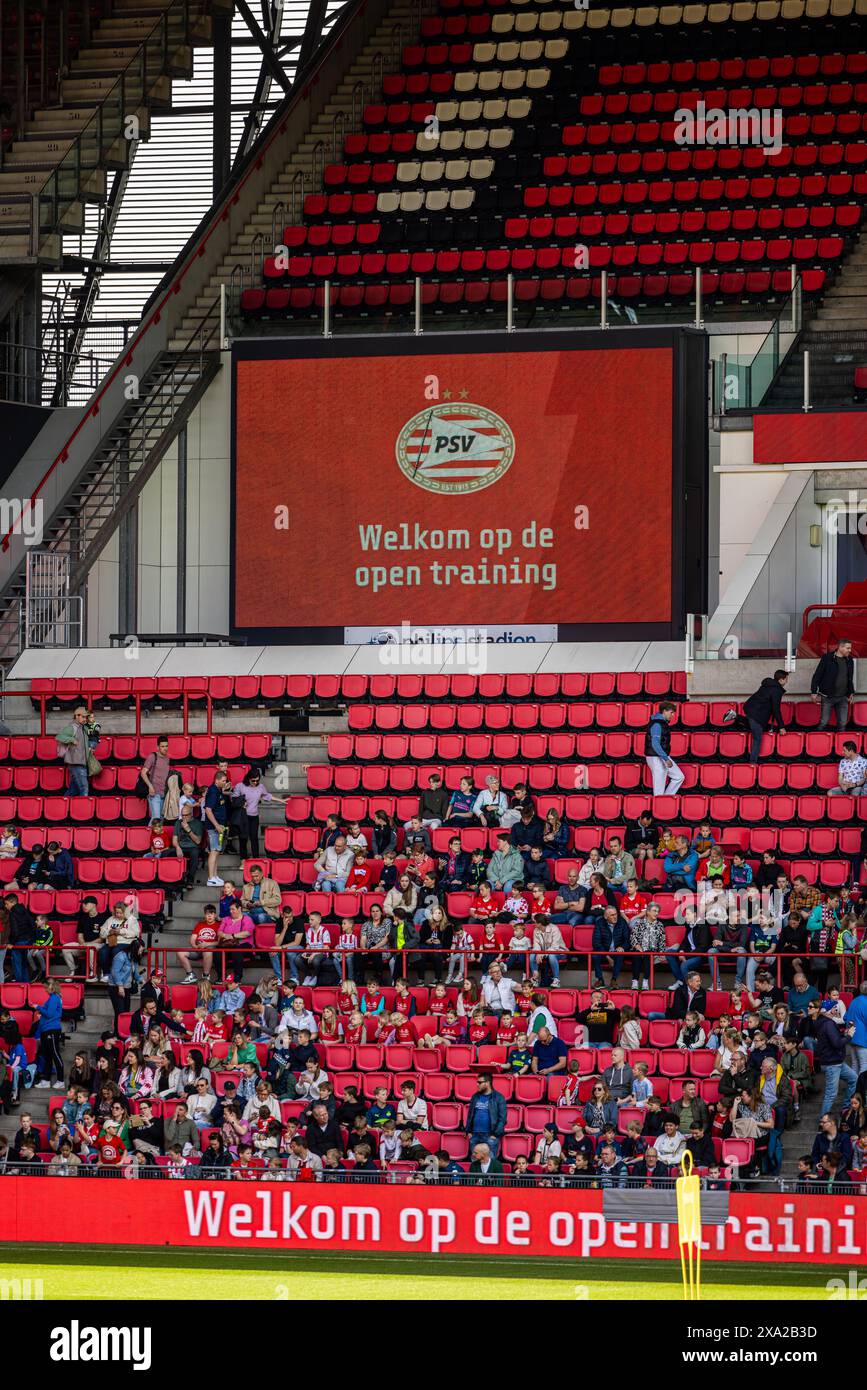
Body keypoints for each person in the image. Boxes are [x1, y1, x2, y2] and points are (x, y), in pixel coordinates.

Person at [804, 998, 858, 1115]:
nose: (837, 1010)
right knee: (831, 1095)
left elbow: (833, 1039)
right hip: (832, 1063)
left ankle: (845, 1107)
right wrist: (849, 1036)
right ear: (831, 1009)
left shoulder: (823, 1021)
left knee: (854, 1079)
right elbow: (837, 1043)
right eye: (835, 1008)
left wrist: (844, 1033)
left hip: (835, 1061)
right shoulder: (828, 1024)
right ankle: (822, 1123)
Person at [741, 669, 789, 764]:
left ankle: (735, 716)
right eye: (786, 679)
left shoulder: (768, 685)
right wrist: (781, 727)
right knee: (757, 738)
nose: (787, 681)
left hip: (750, 708)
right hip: (757, 714)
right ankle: (753, 763)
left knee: (752, 724)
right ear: (780, 680)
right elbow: (776, 709)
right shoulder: (776, 690)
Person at [811, 638, 854, 731]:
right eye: (848, 648)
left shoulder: (849, 660)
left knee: (842, 724)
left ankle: (841, 744)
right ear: (840, 647)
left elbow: (850, 678)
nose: (850, 650)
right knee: (824, 722)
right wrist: (814, 692)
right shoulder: (827, 658)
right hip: (827, 696)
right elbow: (817, 675)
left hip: (843, 697)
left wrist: (851, 692)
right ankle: (816, 740)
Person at [644, 702, 683, 797]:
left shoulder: (662, 723)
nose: (673, 715)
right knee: (659, 790)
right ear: (664, 711)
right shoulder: (657, 724)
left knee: (679, 776)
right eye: (671, 712)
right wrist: (666, 758)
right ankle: (660, 804)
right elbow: (655, 743)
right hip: (655, 757)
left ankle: (665, 800)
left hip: (661, 755)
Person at [465, 1073, 507, 1158]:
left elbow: (502, 1118)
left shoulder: (498, 1098)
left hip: (490, 1135)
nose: (477, 1084)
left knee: (490, 1163)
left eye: (480, 1082)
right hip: (475, 1135)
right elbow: (470, 1114)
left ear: (487, 1083)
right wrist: (469, 1131)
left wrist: (495, 1134)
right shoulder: (475, 1096)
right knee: (475, 1162)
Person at [56, 706, 92, 797]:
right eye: (83, 717)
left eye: (86, 717)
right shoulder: (72, 728)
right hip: (75, 762)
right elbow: (59, 737)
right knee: (84, 787)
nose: (85, 719)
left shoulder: (83, 728)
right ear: (76, 716)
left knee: (73, 789)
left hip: (81, 762)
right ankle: (84, 808)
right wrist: (71, 739)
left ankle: (61, 805)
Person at [203, 770, 230, 886]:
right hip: (214, 827)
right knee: (213, 851)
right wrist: (217, 825)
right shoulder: (213, 792)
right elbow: (208, 810)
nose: (225, 782)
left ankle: (215, 875)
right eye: (223, 781)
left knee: (217, 851)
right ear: (217, 780)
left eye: (225, 780)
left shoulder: (218, 790)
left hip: (219, 826)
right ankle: (210, 878)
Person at [591, 905, 629, 985]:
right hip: (604, 952)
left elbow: (628, 940)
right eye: (612, 915)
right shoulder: (600, 923)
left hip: (617, 951)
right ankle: (600, 979)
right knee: (595, 955)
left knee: (620, 954)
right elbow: (596, 943)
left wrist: (622, 947)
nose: (615, 917)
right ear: (606, 917)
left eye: (616, 914)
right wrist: (607, 956)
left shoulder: (622, 922)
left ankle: (614, 980)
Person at [139, 736, 171, 820]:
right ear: (158, 747)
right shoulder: (153, 756)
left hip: (163, 793)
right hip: (154, 793)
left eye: (166, 746)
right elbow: (143, 773)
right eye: (162, 746)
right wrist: (150, 787)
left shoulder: (167, 759)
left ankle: (152, 833)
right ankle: (150, 833)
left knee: (160, 819)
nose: (165, 748)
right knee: (156, 819)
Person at [845, 982, 867, 1078]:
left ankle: (853, 1089)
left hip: (852, 1037)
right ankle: (862, 1091)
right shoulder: (866, 1002)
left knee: (855, 1064)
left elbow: (845, 1017)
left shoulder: (854, 1001)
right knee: (864, 1065)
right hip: (862, 1039)